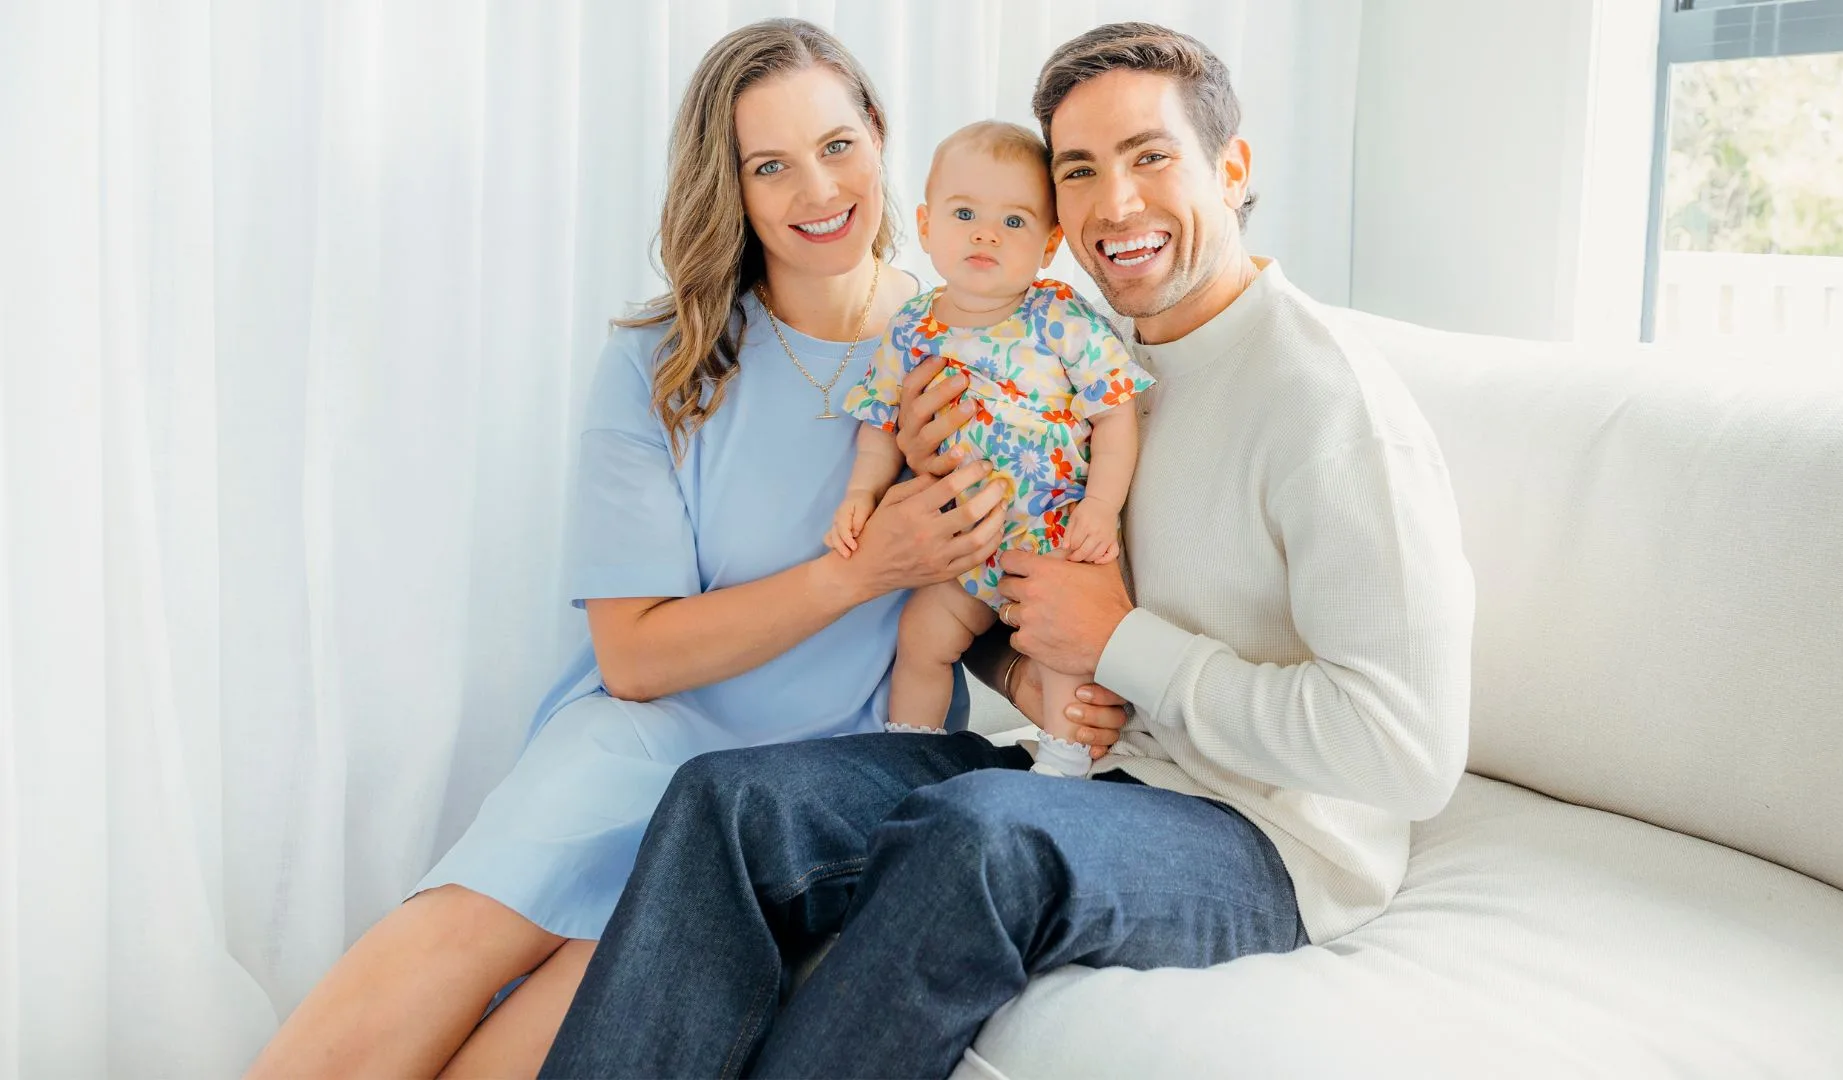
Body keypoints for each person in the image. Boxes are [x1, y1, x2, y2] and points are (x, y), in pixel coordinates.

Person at [540, 20, 1476, 1080]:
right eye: (1081, 170)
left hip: (1265, 839)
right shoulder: (1071, 345)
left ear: (1233, 167)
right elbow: (1014, 592)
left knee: (976, 839)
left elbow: (1411, 753)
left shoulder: (1328, 405)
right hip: (1091, 769)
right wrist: (1024, 664)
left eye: (1151, 155)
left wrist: (1126, 643)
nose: (1116, 203)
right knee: (728, 798)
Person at [244, 19, 1129, 1079]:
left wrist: (1038, 673)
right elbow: (636, 658)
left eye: (837, 145)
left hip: (805, 787)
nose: (817, 191)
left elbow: (988, 574)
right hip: (642, 742)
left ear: (882, 138)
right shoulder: (663, 366)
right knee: (446, 942)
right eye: (771, 165)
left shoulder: (970, 341)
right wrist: (858, 567)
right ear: (735, 188)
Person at [830, 119, 1155, 778]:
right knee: (921, 636)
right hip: (961, 551)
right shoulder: (913, 326)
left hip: (1054, 541)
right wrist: (861, 495)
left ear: (1048, 243)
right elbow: (880, 423)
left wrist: (1100, 508)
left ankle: (1064, 768)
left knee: (1065, 658)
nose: (985, 233)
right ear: (925, 226)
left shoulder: (1060, 317)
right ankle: (906, 756)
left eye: (1013, 221)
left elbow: (1116, 414)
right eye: (965, 213)